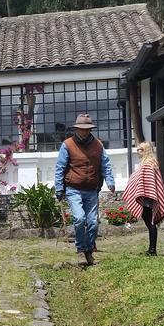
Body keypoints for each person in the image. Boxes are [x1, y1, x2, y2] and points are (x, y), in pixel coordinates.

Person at [53, 113, 116, 266]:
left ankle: (89, 251)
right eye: (82, 129)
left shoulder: (98, 145)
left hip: (91, 189)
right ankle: (80, 249)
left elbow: (105, 165)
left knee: (93, 222)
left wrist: (110, 181)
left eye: (87, 129)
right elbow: (60, 168)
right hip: (73, 189)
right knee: (80, 219)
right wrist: (59, 188)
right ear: (76, 129)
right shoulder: (67, 145)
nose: (85, 132)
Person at [122, 141, 164, 256]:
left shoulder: (148, 164)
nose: (138, 152)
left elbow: (149, 183)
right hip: (146, 197)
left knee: (151, 222)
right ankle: (151, 249)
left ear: (146, 150)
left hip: (148, 197)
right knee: (150, 223)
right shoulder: (147, 163)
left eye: (140, 149)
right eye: (138, 149)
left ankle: (152, 250)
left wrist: (146, 195)